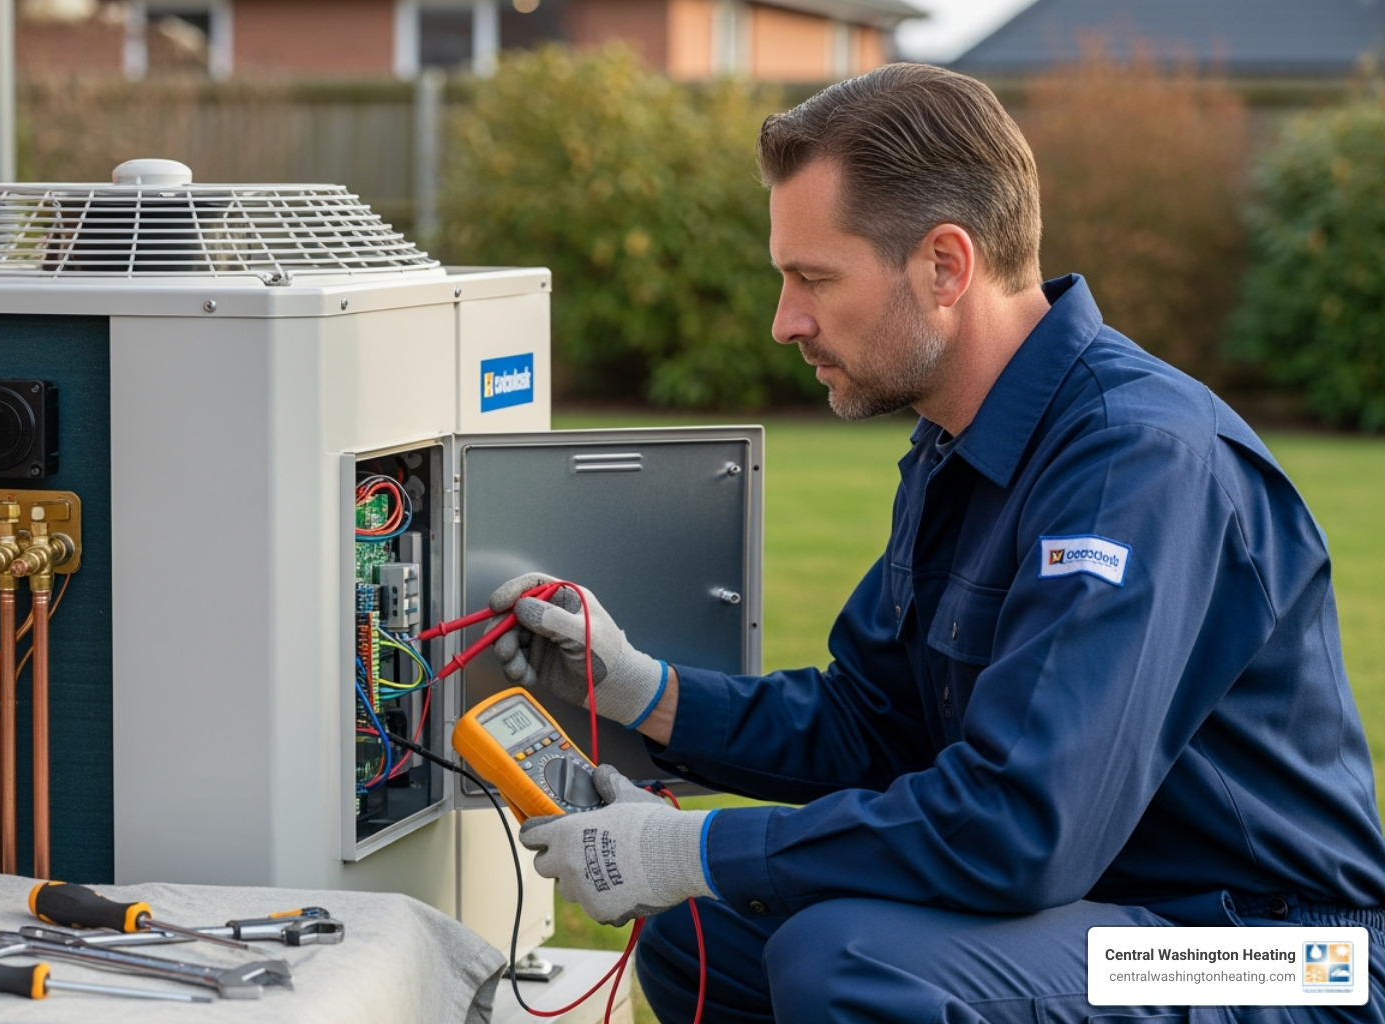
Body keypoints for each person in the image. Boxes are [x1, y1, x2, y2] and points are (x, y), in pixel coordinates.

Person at [489, 63, 1385, 1024]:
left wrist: (693, 851)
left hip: (1272, 954)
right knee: (702, 938)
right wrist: (648, 694)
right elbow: (876, 726)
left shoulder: (1139, 463)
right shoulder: (963, 447)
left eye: (813, 279)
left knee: (857, 964)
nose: (785, 321)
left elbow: (1019, 827)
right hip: (1109, 916)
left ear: (945, 267)